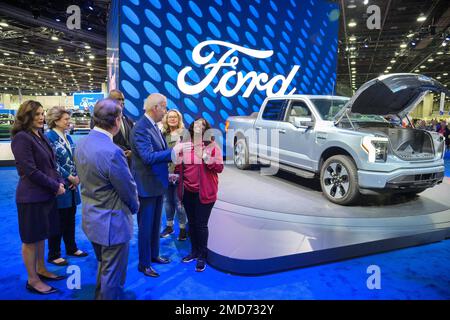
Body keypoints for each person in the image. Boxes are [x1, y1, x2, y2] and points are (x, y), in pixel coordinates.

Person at [75, 99, 139, 300]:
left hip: (91, 218)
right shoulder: (112, 152)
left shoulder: (81, 143)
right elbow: (128, 190)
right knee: (113, 275)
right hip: (112, 223)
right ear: (118, 120)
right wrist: (135, 206)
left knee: (104, 266)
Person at [11, 100, 66, 295]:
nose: (41, 117)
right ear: (26, 117)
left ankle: (42, 269)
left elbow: (51, 165)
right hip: (31, 197)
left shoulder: (40, 135)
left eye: (43, 114)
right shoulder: (22, 138)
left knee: (42, 236)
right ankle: (32, 280)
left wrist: (59, 181)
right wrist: (55, 185)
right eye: (37, 114)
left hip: (46, 195)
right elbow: (30, 171)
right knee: (30, 240)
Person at [130, 93, 173, 278]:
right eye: (164, 107)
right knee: (146, 227)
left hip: (156, 183)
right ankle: (144, 263)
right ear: (156, 107)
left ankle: (154, 255)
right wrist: (174, 151)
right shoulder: (141, 127)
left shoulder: (152, 126)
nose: (166, 111)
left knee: (155, 225)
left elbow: (156, 154)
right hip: (146, 186)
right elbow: (147, 157)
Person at [173, 118, 224, 272]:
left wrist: (205, 157)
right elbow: (179, 166)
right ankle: (194, 251)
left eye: (202, 125)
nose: (198, 127)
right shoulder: (186, 145)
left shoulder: (212, 146)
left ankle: (202, 255)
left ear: (206, 129)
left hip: (205, 192)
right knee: (193, 223)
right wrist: (176, 174)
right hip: (188, 191)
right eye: (196, 124)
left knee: (201, 225)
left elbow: (219, 167)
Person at [45, 106, 88, 266]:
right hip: (59, 185)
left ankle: (71, 247)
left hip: (72, 185)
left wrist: (77, 177)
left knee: (70, 218)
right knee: (57, 220)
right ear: (55, 121)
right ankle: (54, 253)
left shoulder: (67, 137)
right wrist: (69, 178)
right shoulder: (48, 137)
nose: (69, 122)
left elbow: (74, 158)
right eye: (66, 119)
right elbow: (52, 163)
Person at [160, 110, 188, 241]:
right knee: (167, 201)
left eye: (175, 117)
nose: (172, 119)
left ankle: (182, 228)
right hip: (165, 173)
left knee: (179, 202)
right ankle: (169, 226)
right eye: (170, 117)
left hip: (180, 173)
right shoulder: (162, 134)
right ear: (166, 119)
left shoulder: (185, 134)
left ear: (179, 119)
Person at [90, 89, 134, 164]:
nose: (122, 102)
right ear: (109, 101)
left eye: (123, 99)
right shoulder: (99, 119)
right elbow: (100, 139)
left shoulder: (128, 119)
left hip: (128, 163)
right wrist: (120, 151)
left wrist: (132, 152)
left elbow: (131, 140)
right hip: (110, 160)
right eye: (119, 99)